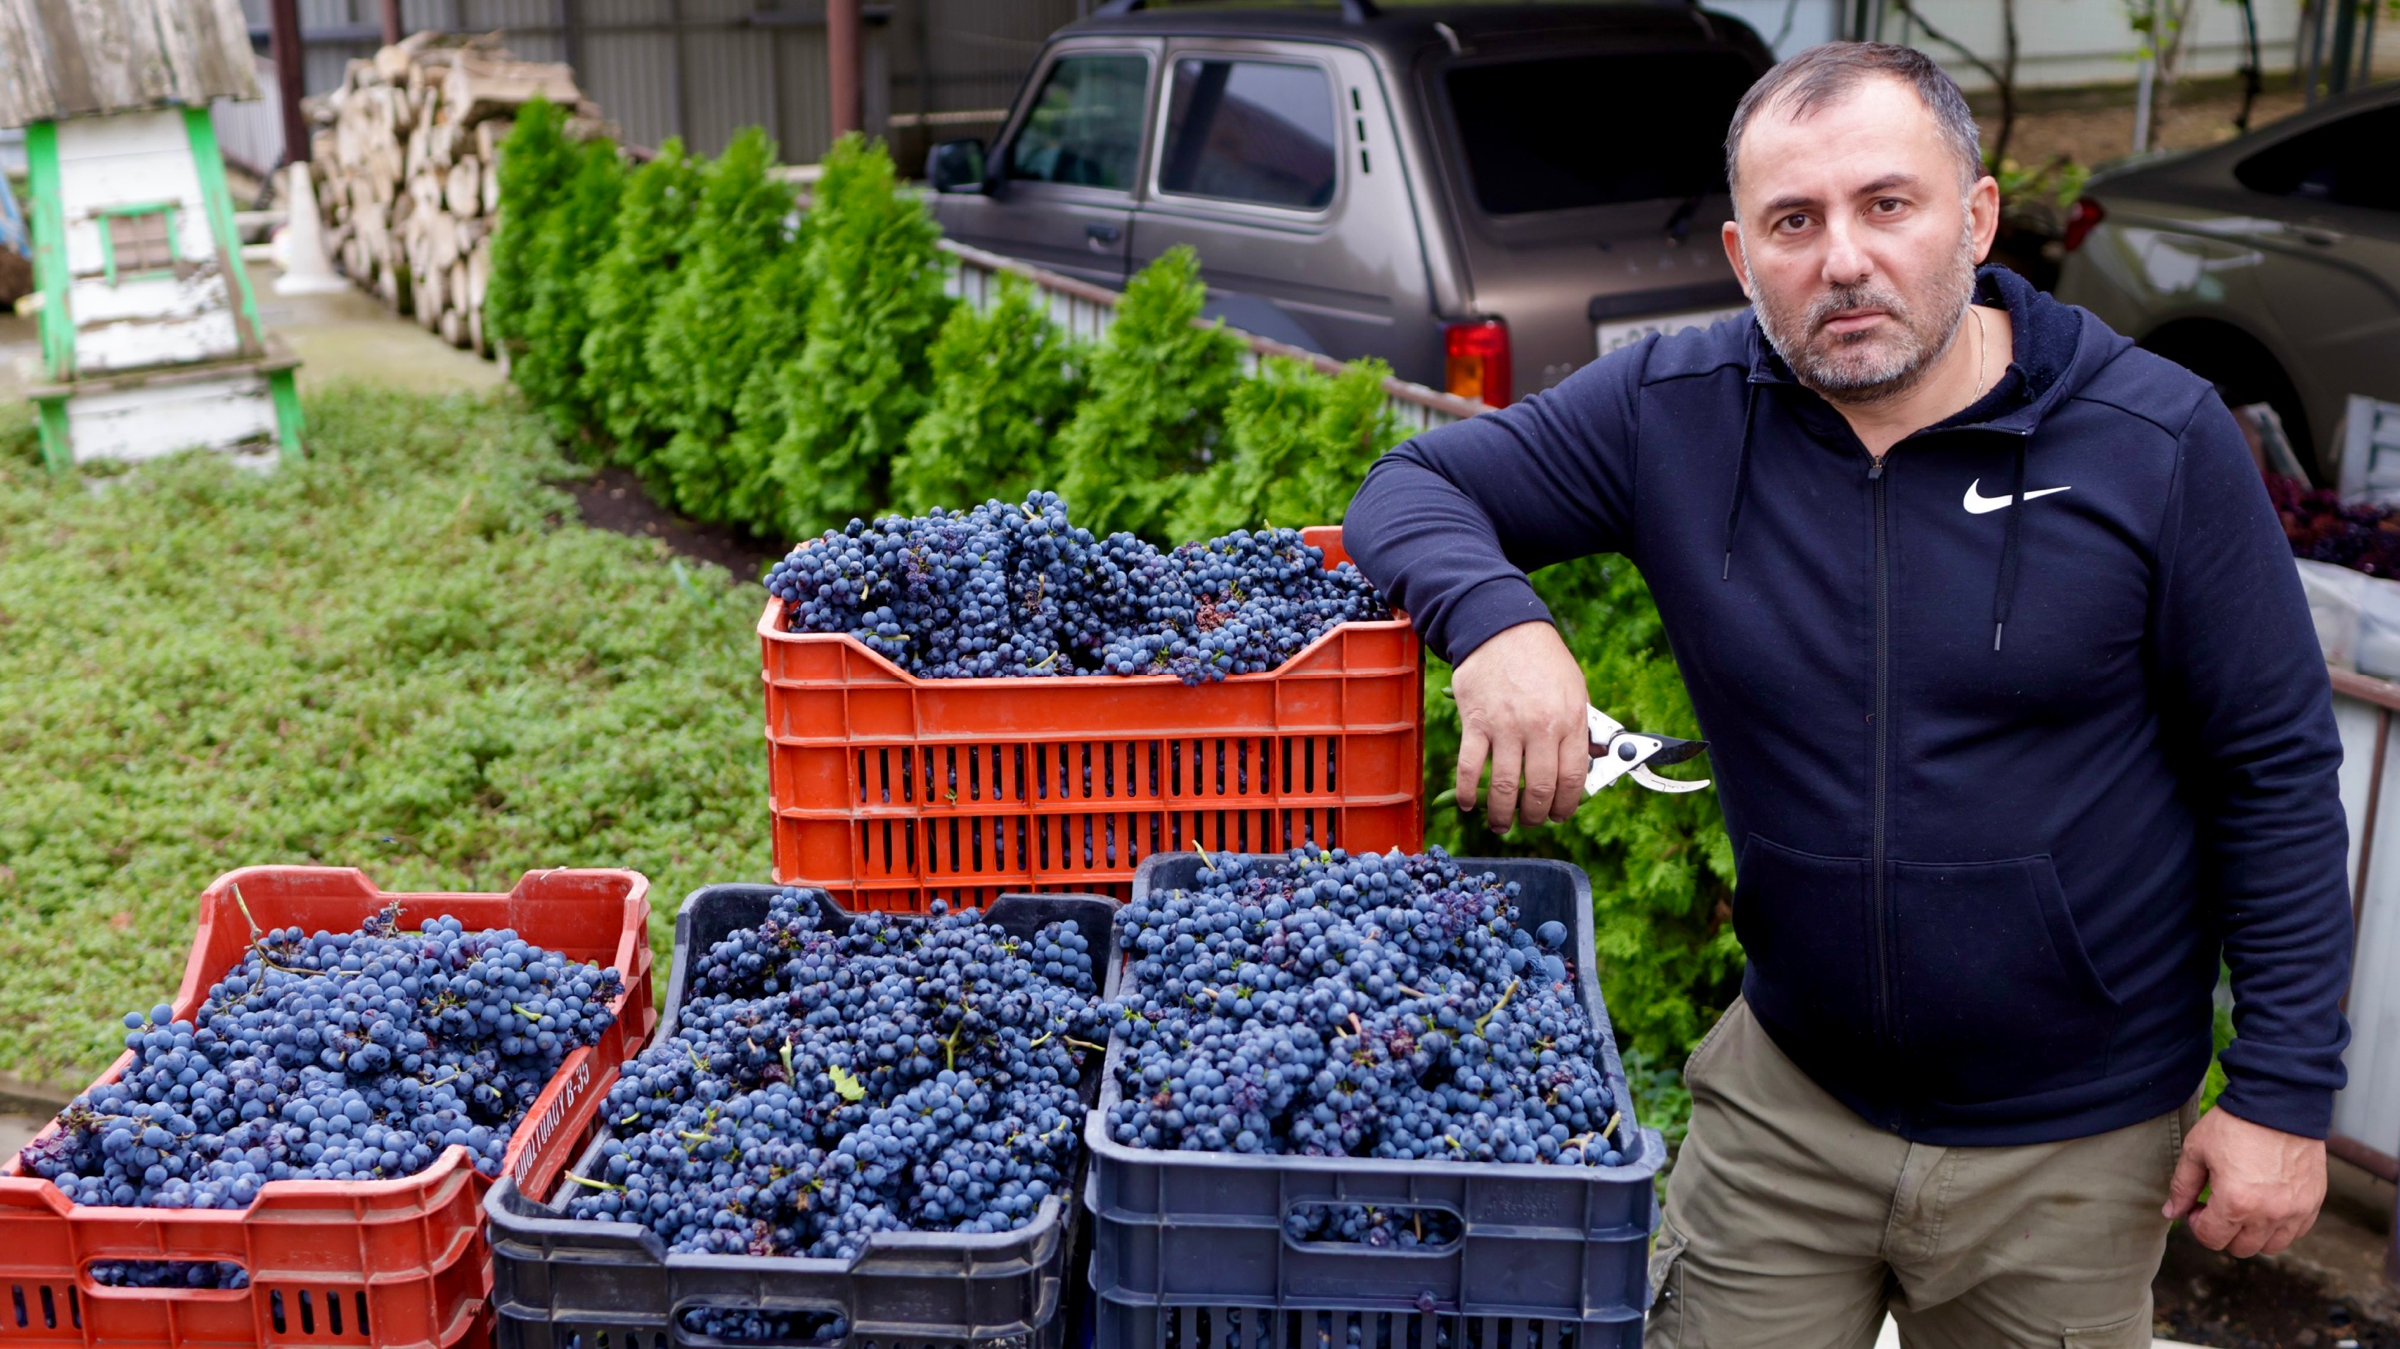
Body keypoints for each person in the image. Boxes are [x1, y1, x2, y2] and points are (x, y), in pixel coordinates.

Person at [1343, 42, 2352, 1349]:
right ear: (1739, 249)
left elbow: (2271, 768)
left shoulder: (2154, 441)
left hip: (2072, 1146)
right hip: (1791, 1108)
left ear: (1976, 219)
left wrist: (2280, 1094)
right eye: (1794, 221)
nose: (1844, 259)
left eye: (1889, 204)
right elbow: (1409, 488)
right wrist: (1500, 622)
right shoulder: (1680, 411)